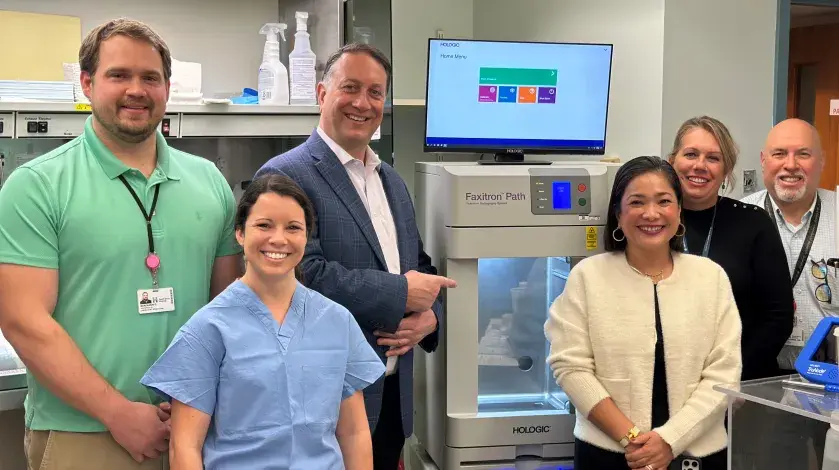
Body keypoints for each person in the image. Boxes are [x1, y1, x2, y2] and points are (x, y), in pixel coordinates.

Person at [0, 18, 242, 469]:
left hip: (195, 430)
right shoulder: (37, 186)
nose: (136, 90)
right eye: (119, 75)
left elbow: (227, 306)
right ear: (87, 84)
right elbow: (23, 320)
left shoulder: (209, 182)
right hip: (84, 433)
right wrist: (118, 413)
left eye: (150, 77)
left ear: (166, 88)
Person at [254, 43, 456, 469]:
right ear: (322, 93)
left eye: (375, 92)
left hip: (391, 401)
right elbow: (301, 275)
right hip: (323, 405)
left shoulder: (391, 181)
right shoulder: (285, 174)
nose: (363, 103)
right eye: (350, 87)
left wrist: (432, 316)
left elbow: (419, 266)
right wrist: (401, 293)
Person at [140, 173, 385, 469]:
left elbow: (354, 433)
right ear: (240, 234)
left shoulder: (336, 321)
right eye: (264, 225)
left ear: (306, 237)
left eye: (293, 227)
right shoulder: (209, 328)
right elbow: (185, 446)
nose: (278, 239)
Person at [544, 156, 742, 470]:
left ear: (679, 210)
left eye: (664, 201)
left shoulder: (711, 277)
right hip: (609, 454)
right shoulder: (588, 277)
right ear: (618, 214)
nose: (651, 213)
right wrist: (634, 440)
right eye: (637, 202)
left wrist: (669, 441)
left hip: (696, 455)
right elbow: (570, 366)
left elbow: (725, 374)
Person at [740, 118, 838, 469]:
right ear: (764, 160)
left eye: (803, 154)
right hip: (761, 378)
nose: (791, 165)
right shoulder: (740, 218)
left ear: (821, 161)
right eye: (780, 153)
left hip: (833, 379)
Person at [667, 116, 793, 380]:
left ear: (726, 170)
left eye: (713, 158)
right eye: (691, 154)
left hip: (738, 383)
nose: (700, 165)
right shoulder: (653, 222)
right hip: (666, 380)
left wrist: (729, 376)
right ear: (672, 161)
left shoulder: (753, 223)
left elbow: (777, 317)